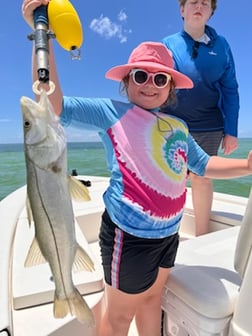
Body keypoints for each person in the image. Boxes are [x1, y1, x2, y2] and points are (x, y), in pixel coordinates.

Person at [22, 1, 252, 335]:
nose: (150, 84)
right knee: (118, 317)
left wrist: (246, 165)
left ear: (171, 88)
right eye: (141, 75)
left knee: (152, 301)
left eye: (160, 79)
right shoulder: (111, 113)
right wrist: (42, 36)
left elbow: (203, 165)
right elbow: (51, 102)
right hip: (127, 239)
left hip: (168, 236)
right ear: (127, 81)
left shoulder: (178, 127)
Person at [161, 0, 240, 235]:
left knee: (202, 177)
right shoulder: (168, 45)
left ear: (211, 12)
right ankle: (165, 233)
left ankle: (201, 234)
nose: (199, 6)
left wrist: (231, 131)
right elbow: (159, 87)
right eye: (193, 2)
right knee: (172, 179)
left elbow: (230, 89)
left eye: (205, 3)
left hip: (210, 125)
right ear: (182, 9)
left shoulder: (222, 45)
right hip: (174, 125)